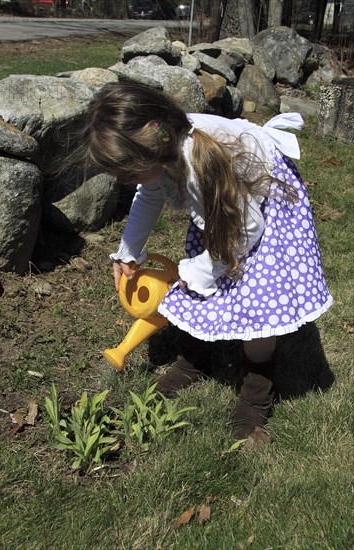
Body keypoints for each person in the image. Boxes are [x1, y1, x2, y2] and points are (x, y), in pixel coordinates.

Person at [79, 82, 333, 443]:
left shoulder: (201, 163)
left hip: (260, 210)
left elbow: (247, 228)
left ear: (153, 148)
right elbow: (149, 194)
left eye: (128, 172)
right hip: (229, 211)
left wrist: (198, 270)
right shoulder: (163, 147)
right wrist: (128, 251)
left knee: (258, 304)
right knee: (200, 280)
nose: (124, 180)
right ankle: (193, 360)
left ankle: (256, 396)